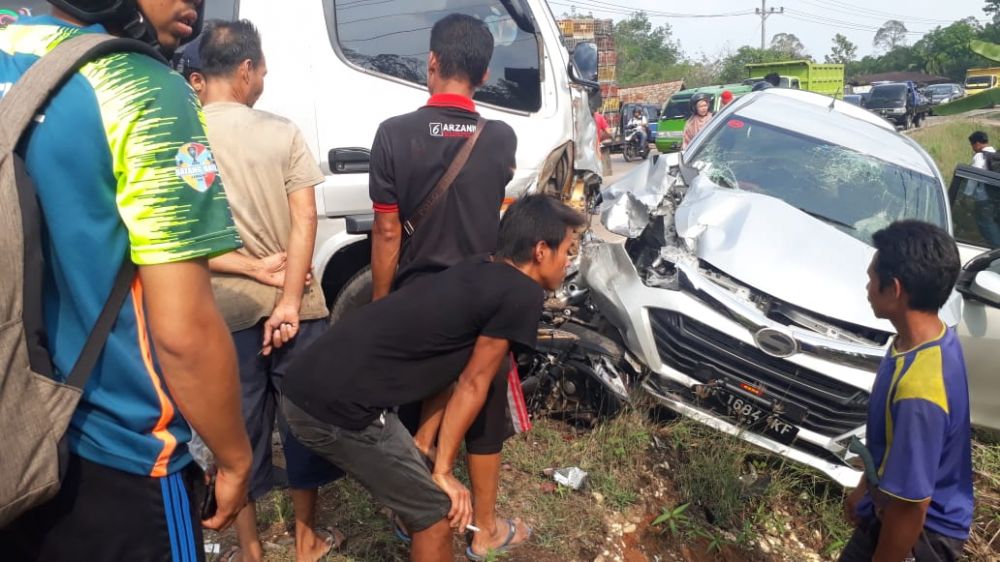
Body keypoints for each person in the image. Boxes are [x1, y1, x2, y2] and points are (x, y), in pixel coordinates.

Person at [0, 1, 253, 561]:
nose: (192, 4)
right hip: (117, 452)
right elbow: (184, 331)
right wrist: (235, 458)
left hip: (10, 433)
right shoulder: (140, 86)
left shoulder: (9, 50)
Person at [282, 195, 586, 562]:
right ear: (540, 250)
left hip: (308, 381)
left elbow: (449, 367)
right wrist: (442, 471)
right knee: (437, 515)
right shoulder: (521, 293)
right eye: (567, 251)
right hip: (335, 408)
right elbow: (474, 383)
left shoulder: (481, 266)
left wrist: (426, 445)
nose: (569, 262)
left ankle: (411, 506)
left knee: (427, 498)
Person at [368, 13, 528, 559]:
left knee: (417, 410)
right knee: (482, 411)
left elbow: (388, 231)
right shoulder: (500, 137)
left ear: (431, 62)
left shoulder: (392, 134)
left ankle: (413, 517)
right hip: (483, 300)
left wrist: (381, 305)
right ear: (484, 75)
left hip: (418, 302)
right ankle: (485, 530)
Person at [191, 20, 346, 562]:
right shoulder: (282, 132)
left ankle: (251, 549)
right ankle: (307, 540)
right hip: (296, 306)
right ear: (245, 70)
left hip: (223, 314)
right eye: (261, 71)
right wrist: (287, 301)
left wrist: (250, 269)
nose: (262, 80)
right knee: (304, 423)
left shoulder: (186, 141)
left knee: (236, 435)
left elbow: (182, 238)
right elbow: (305, 220)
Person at [841, 221, 972, 562]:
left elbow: (912, 507)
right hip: (890, 506)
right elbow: (893, 444)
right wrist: (864, 489)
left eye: (872, 278)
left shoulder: (920, 391)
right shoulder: (922, 339)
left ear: (894, 289)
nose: (867, 287)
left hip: (921, 534)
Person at [966, 131, 1000, 246]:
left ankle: (996, 250)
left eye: (972, 145)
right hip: (996, 199)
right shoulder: (996, 155)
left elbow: (973, 176)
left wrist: (967, 194)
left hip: (984, 200)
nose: (972, 148)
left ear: (977, 143)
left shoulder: (980, 156)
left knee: (986, 225)